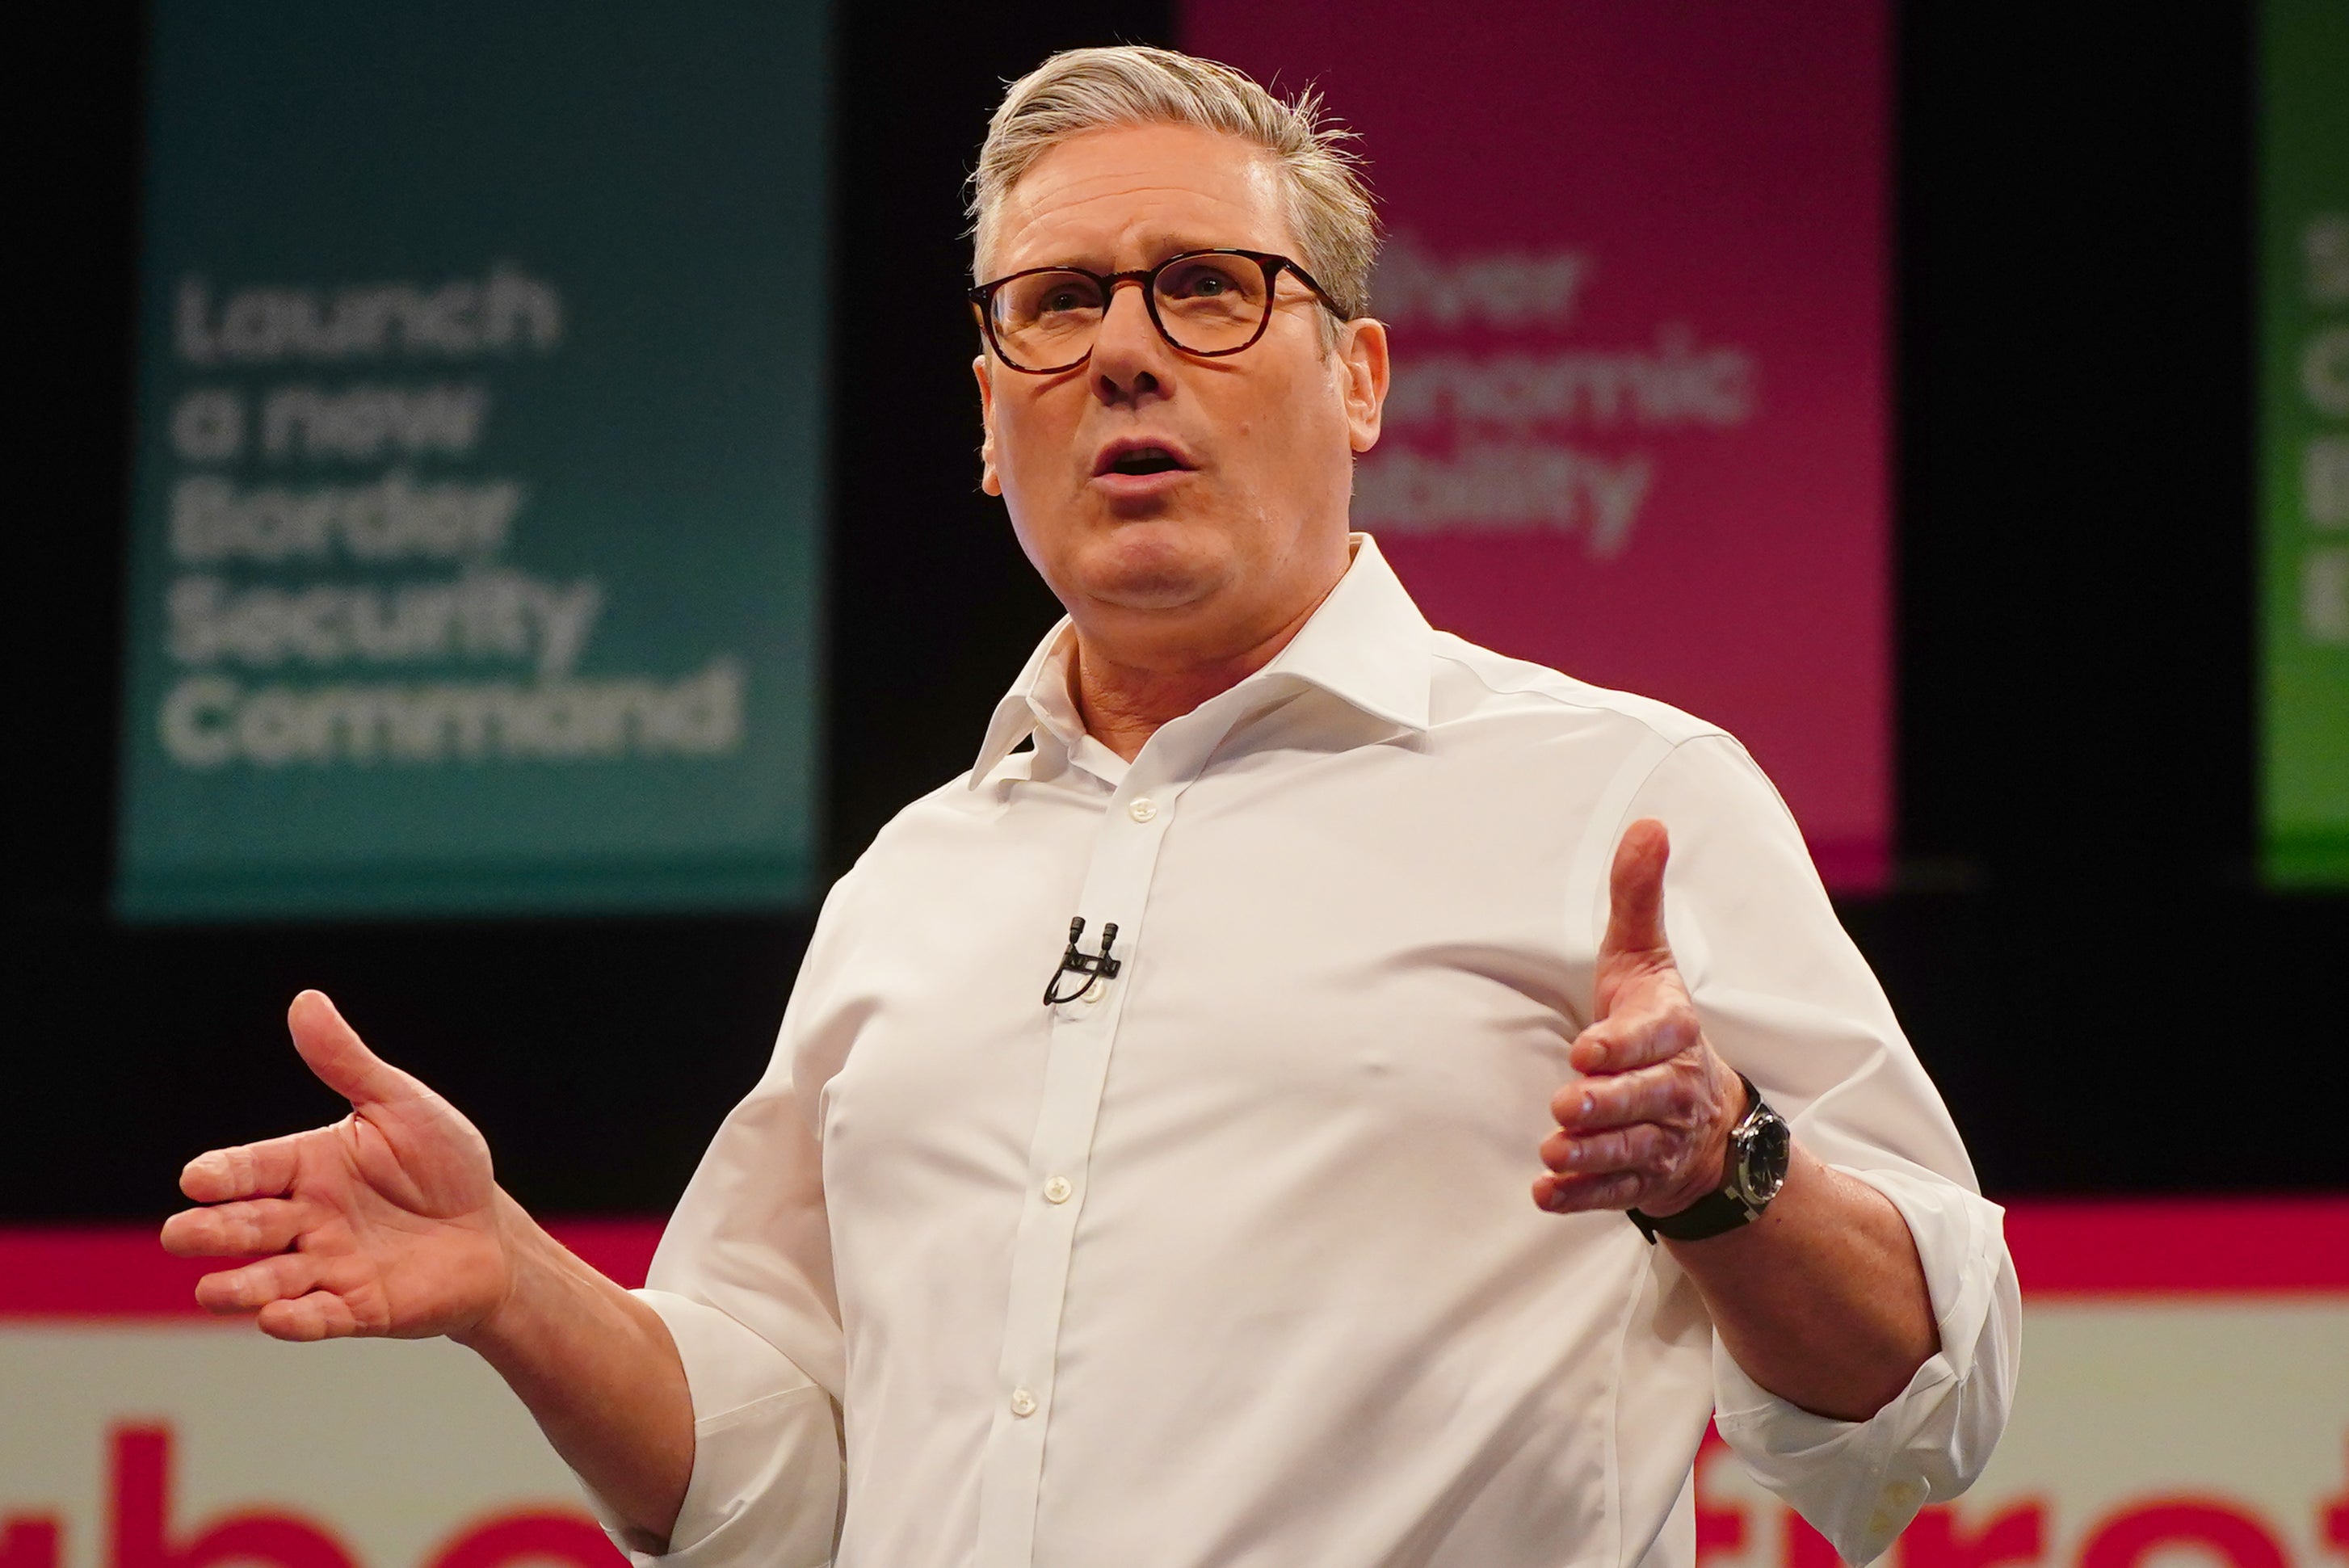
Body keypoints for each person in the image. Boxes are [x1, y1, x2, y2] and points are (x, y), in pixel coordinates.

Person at [162, 44, 2018, 1568]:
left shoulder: (1621, 793)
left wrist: (1722, 1169)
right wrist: (517, 1284)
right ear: (989, 421)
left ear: (1358, 374)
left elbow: (1935, 1392)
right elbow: (788, 1479)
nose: (1122, 352)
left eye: (1207, 287)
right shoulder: (913, 880)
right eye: (1055, 306)